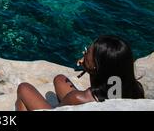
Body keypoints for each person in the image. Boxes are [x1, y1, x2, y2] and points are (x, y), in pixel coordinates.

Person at [15, 35, 145, 111]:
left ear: (96, 66)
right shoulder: (135, 89)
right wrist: (90, 70)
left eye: (87, 52)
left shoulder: (77, 98)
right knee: (60, 79)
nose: (84, 53)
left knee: (23, 90)